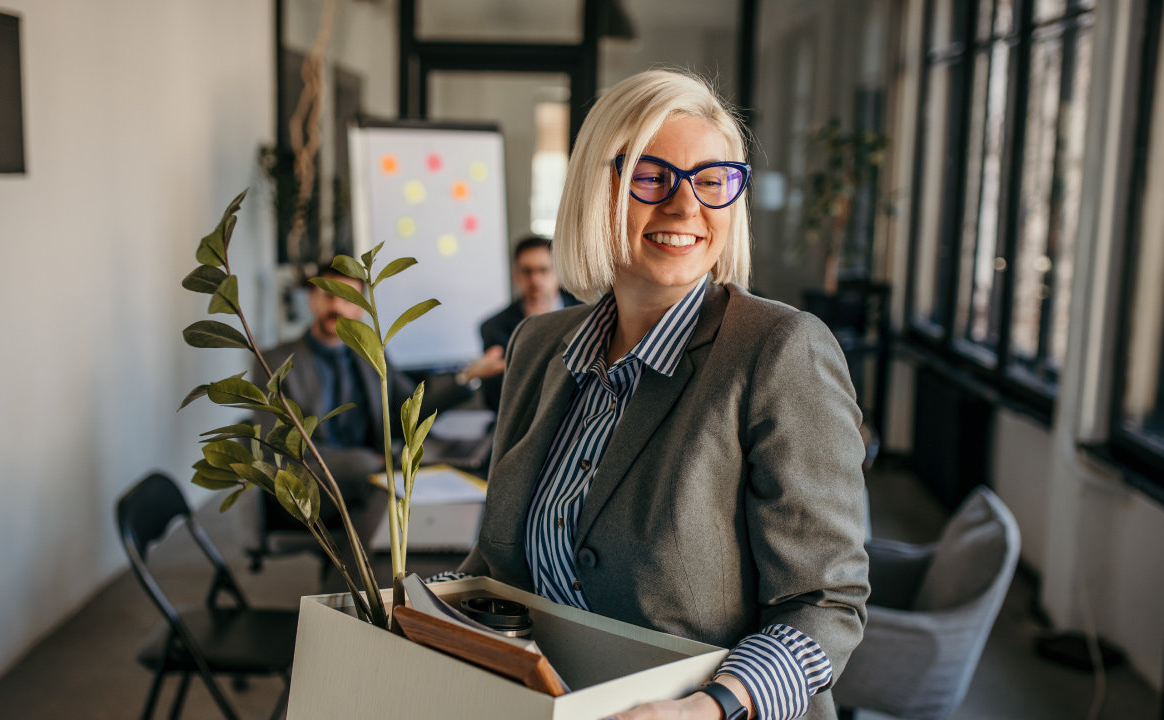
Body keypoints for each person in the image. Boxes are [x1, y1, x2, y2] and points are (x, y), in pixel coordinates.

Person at [448, 70, 869, 720]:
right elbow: (500, 567)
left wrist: (709, 707)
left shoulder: (781, 351)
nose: (684, 206)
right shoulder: (537, 345)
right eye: (651, 176)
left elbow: (826, 603)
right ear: (596, 187)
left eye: (711, 179)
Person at [252, 265, 503, 540]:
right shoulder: (274, 362)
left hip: (375, 471)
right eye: (327, 295)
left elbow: (410, 413)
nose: (336, 305)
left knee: (463, 465)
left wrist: (467, 376)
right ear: (312, 299)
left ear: (360, 309)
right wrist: (367, 461)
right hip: (309, 479)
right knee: (379, 485)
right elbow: (279, 445)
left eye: (347, 297)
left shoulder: (370, 353)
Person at [476, 236, 582, 411]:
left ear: (559, 272)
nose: (535, 280)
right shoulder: (494, 327)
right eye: (527, 271)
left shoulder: (589, 316)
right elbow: (496, 400)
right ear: (516, 275)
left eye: (544, 270)